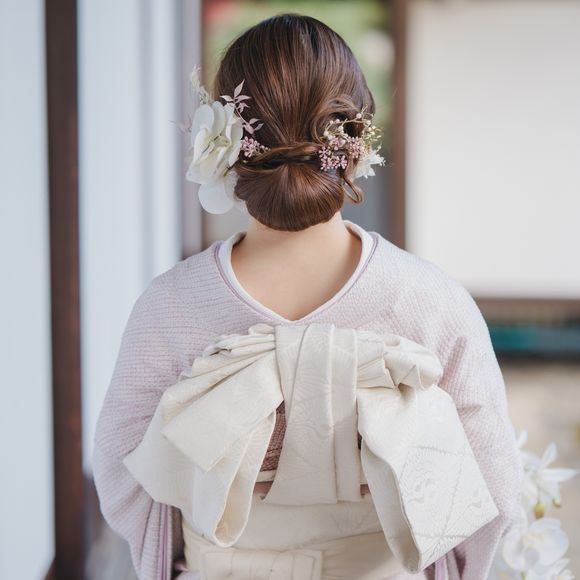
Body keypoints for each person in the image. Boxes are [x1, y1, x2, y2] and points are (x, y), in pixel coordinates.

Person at [92, 13, 523, 580]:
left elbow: (123, 474)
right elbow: (493, 488)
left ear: (222, 141)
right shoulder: (431, 301)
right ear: (356, 136)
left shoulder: (170, 306)